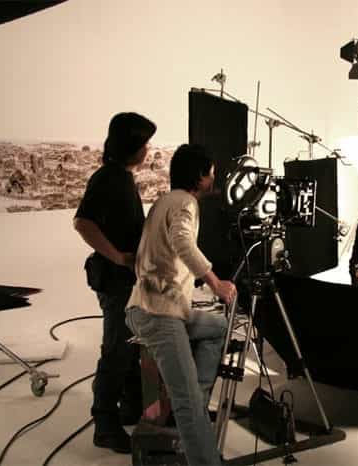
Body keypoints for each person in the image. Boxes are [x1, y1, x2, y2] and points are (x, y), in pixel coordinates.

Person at [125, 143, 236, 466]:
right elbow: (182, 241)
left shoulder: (164, 201)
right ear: (199, 176)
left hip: (150, 307)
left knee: (218, 327)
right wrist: (216, 283)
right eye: (211, 173)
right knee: (186, 404)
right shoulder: (186, 202)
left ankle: (196, 396)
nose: (214, 178)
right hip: (159, 314)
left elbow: (157, 254)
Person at [74, 112, 156, 453]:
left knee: (130, 346)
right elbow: (83, 223)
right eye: (144, 143)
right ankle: (104, 425)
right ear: (131, 145)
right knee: (117, 351)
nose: (148, 149)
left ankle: (131, 407)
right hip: (115, 281)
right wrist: (118, 256)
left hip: (127, 281)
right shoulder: (108, 178)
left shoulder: (121, 177)